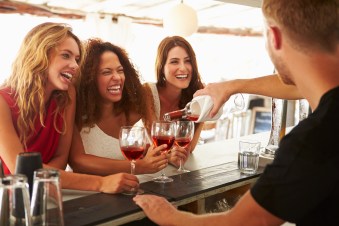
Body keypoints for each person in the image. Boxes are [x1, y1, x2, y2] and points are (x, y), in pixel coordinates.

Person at [133, 0, 339, 225]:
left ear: (275, 37)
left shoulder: (313, 141)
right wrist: (231, 86)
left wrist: (170, 217)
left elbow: (243, 222)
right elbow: (299, 84)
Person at [0, 22, 139, 194]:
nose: (75, 65)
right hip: (10, 196)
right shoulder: (2, 102)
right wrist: (101, 183)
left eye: (77, 59)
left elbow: (61, 157)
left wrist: (43, 185)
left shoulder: (67, 96)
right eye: (66, 56)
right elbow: (20, 168)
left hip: (48, 191)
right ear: (39, 54)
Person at [68, 38, 169, 175]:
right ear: (89, 79)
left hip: (128, 190)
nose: (117, 77)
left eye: (120, 70)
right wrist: (138, 166)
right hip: (88, 194)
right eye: (106, 72)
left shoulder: (134, 110)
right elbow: (78, 163)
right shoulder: (75, 113)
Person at [145, 36, 205, 158]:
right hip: (149, 172)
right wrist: (169, 156)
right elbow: (156, 145)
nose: (183, 68)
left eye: (188, 61)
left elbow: (190, 148)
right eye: (174, 62)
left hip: (179, 171)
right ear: (162, 67)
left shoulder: (198, 95)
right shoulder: (148, 92)